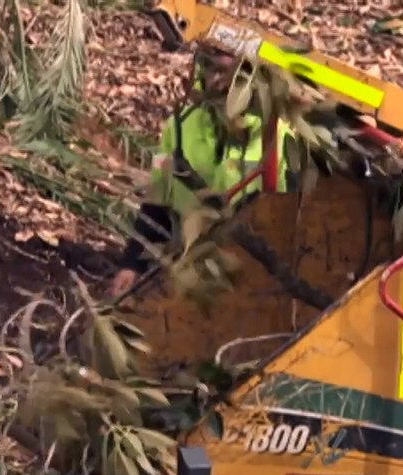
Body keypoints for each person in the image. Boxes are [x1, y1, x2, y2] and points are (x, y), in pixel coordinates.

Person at [107, 47, 296, 297]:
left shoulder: (275, 134)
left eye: (232, 73)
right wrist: (132, 265)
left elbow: (289, 211)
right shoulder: (179, 127)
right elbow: (158, 202)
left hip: (258, 260)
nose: (221, 81)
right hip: (196, 259)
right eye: (214, 70)